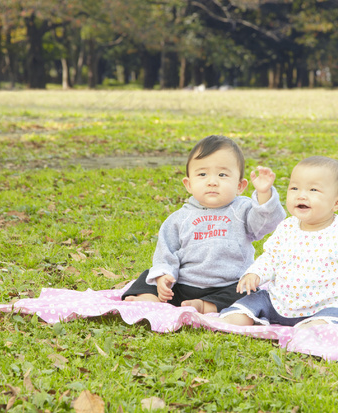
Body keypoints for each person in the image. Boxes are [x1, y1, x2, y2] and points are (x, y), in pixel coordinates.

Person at [122, 135, 287, 314]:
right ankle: (152, 298)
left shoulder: (243, 210)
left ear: (240, 186)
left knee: (248, 292)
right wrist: (164, 275)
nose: (212, 181)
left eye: (222, 175)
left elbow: (266, 223)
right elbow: (166, 251)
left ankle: (205, 306)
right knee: (149, 276)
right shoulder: (180, 218)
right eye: (202, 174)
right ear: (189, 184)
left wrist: (264, 195)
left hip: (226, 285)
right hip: (183, 284)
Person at [218, 156, 338, 327]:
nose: (301, 195)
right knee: (250, 304)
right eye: (294, 188)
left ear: (337, 202)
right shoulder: (286, 228)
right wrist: (255, 273)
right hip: (280, 300)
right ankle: (237, 317)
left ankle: (314, 326)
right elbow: (271, 258)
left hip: (327, 302)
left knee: (327, 320)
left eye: (313, 190)